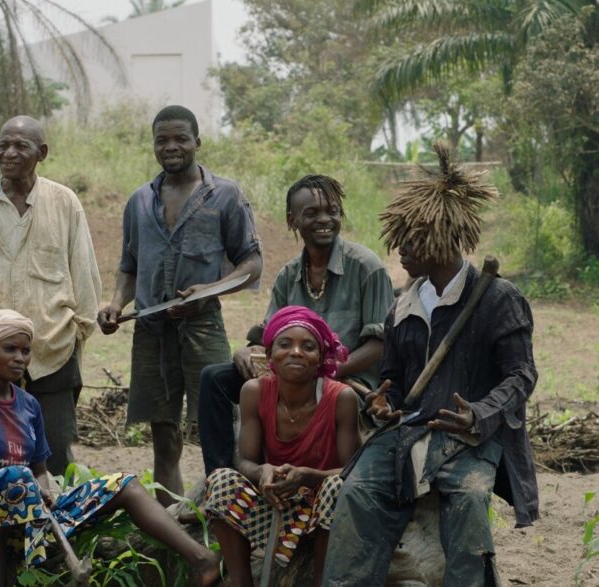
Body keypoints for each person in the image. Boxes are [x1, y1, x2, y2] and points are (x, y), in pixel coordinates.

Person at [322, 142, 539, 585]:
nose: (399, 249)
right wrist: (384, 404)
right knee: (358, 493)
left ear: (444, 236)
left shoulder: (498, 299)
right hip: (409, 434)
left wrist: (478, 413)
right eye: (398, 238)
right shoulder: (402, 306)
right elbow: (394, 382)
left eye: (411, 239)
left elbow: (522, 376)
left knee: (469, 498)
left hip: (470, 441)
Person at [0, 310, 222, 587]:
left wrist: (41, 490)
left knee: (125, 484)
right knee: (12, 481)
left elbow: (39, 470)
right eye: (10, 349)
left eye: (25, 351)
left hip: (34, 513)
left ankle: (202, 559)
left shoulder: (28, 405)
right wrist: (14, 488)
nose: (20, 358)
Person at [98, 105, 263, 504]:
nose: (171, 147)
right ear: (154, 145)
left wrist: (208, 291)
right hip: (152, 332)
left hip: (203, 326)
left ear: (197, 143)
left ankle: (222, 512)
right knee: (163, 433)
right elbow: (129, 266)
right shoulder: (140, 200)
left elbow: (252, 264)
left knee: (218, 426)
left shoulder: (225, 195)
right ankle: (170, 519)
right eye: (162, 140)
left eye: (180, 139)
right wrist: (116, 303)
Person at [199, 175, 394, 474]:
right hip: (293, 377)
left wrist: (326, 370)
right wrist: (248, 350)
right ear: (293, 221)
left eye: (332, 211)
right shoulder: (289, 275)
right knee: (215, 377)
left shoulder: (366, 267)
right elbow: (270, 336)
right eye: (312, 214)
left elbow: (379, 345)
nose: (325, 220)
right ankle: (220, 478)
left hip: (348, 381)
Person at [0, 115, 101, 476]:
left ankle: (55, 529)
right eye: (3, 145)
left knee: (54, 455)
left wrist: (76, 335)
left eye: (21, 146)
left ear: (42, 153)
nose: (9, 153)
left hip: (51, 351)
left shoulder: (64, 203)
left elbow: (85, 278)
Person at [202, 306, 359, 586]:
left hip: (320, 514)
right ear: (270, 353)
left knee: (337, 487)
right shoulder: (254, 391)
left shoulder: (341, 398)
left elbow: (352, 470)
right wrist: (263, 471)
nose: (296, 352)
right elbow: (245, 461)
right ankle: (241, 581)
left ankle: (323, 580)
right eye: (285, 344)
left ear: (321, 357)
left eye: (308, 347)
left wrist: (311, 475)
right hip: (275, 505)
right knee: (221, 480)